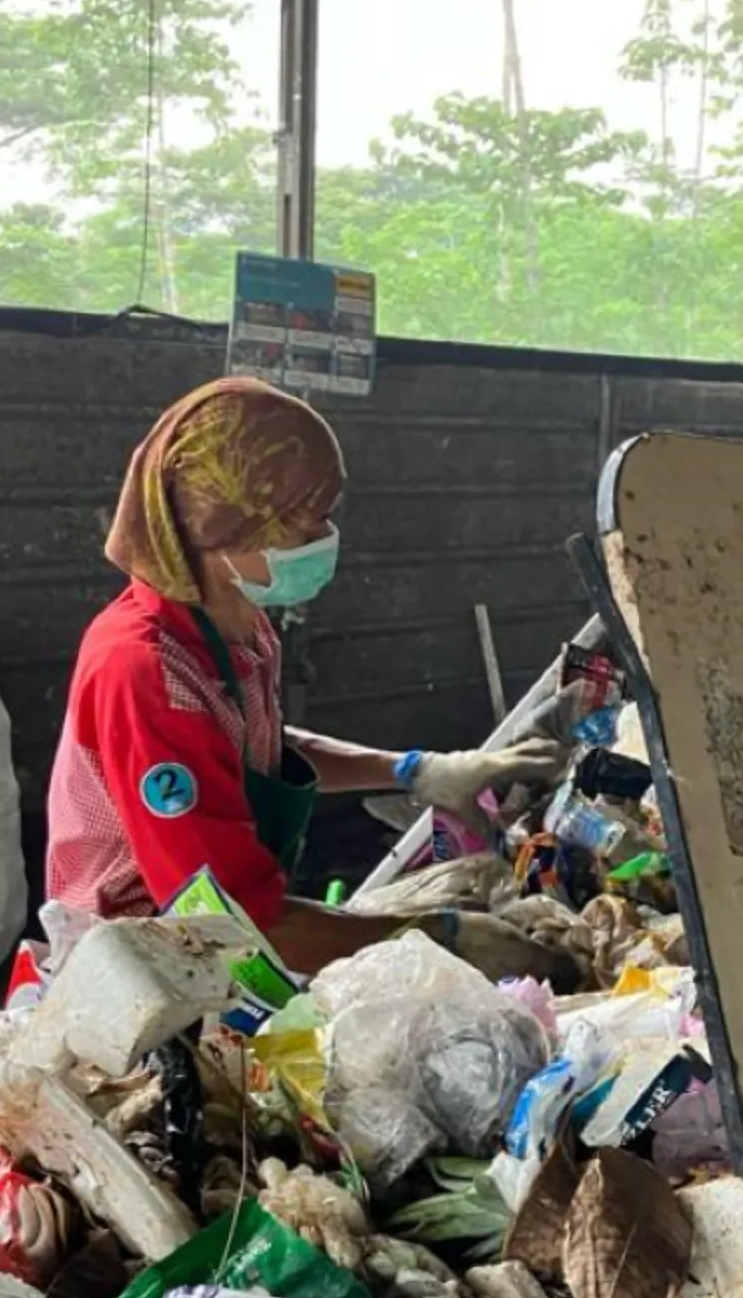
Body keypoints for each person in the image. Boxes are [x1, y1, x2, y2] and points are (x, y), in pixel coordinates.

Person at [47, 377, 571, 982]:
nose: (325, 541)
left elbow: (259, 753)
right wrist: (436, 937)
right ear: (224, 529)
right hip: (148, 970)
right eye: (305, 526)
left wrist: (418, 771)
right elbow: (224, 921)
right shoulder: (143, 672)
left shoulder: (237, 623)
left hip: (234, 935)